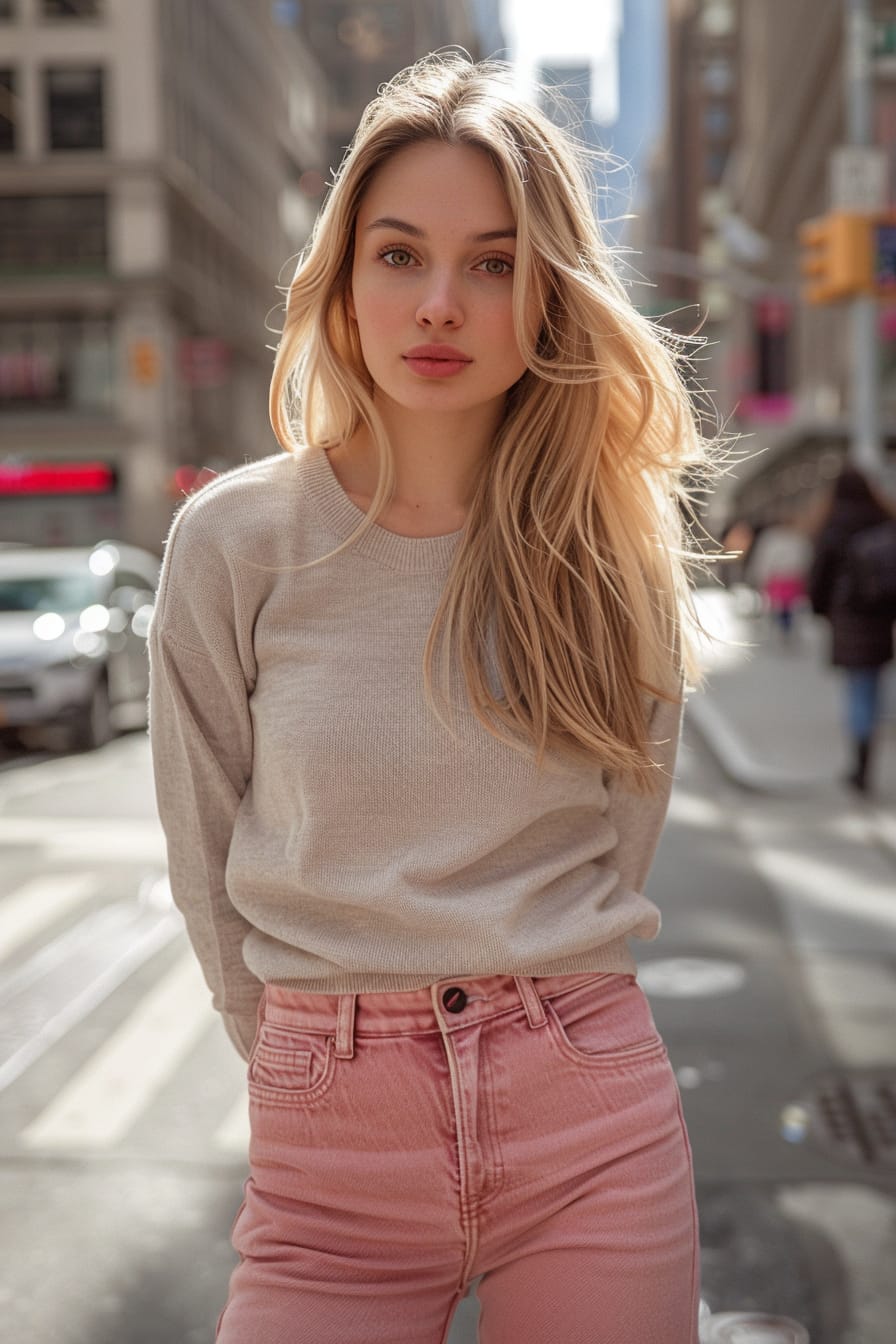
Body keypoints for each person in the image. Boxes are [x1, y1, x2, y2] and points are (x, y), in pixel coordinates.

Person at [148, 52, 718, 1344]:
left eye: (496, 262)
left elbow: (623, 832)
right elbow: (203, 844)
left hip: (587, 1119)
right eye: (401, 254)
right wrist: (307, 1059)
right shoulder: (235, 540)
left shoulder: (605, 546)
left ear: (549, 292)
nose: (442, 304)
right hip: (327, 1153)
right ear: (345, 279)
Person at [808, 463, 896, 794]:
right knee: (871, 683)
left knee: (858, 688)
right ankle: (866, 756)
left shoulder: (832, 523)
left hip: (846, 617)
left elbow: (819, 574)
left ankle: (860, 766)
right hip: (880, 617)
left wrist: (819, 608)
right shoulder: (883, 519)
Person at [746, 507, 812, 641]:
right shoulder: (796, 538)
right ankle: (782, 631)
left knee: (783, 607)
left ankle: (782, 631)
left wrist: (760, 575)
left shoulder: (777, 538)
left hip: (786, 579)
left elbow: (764, 559)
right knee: (781, 607)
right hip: (787, 579)